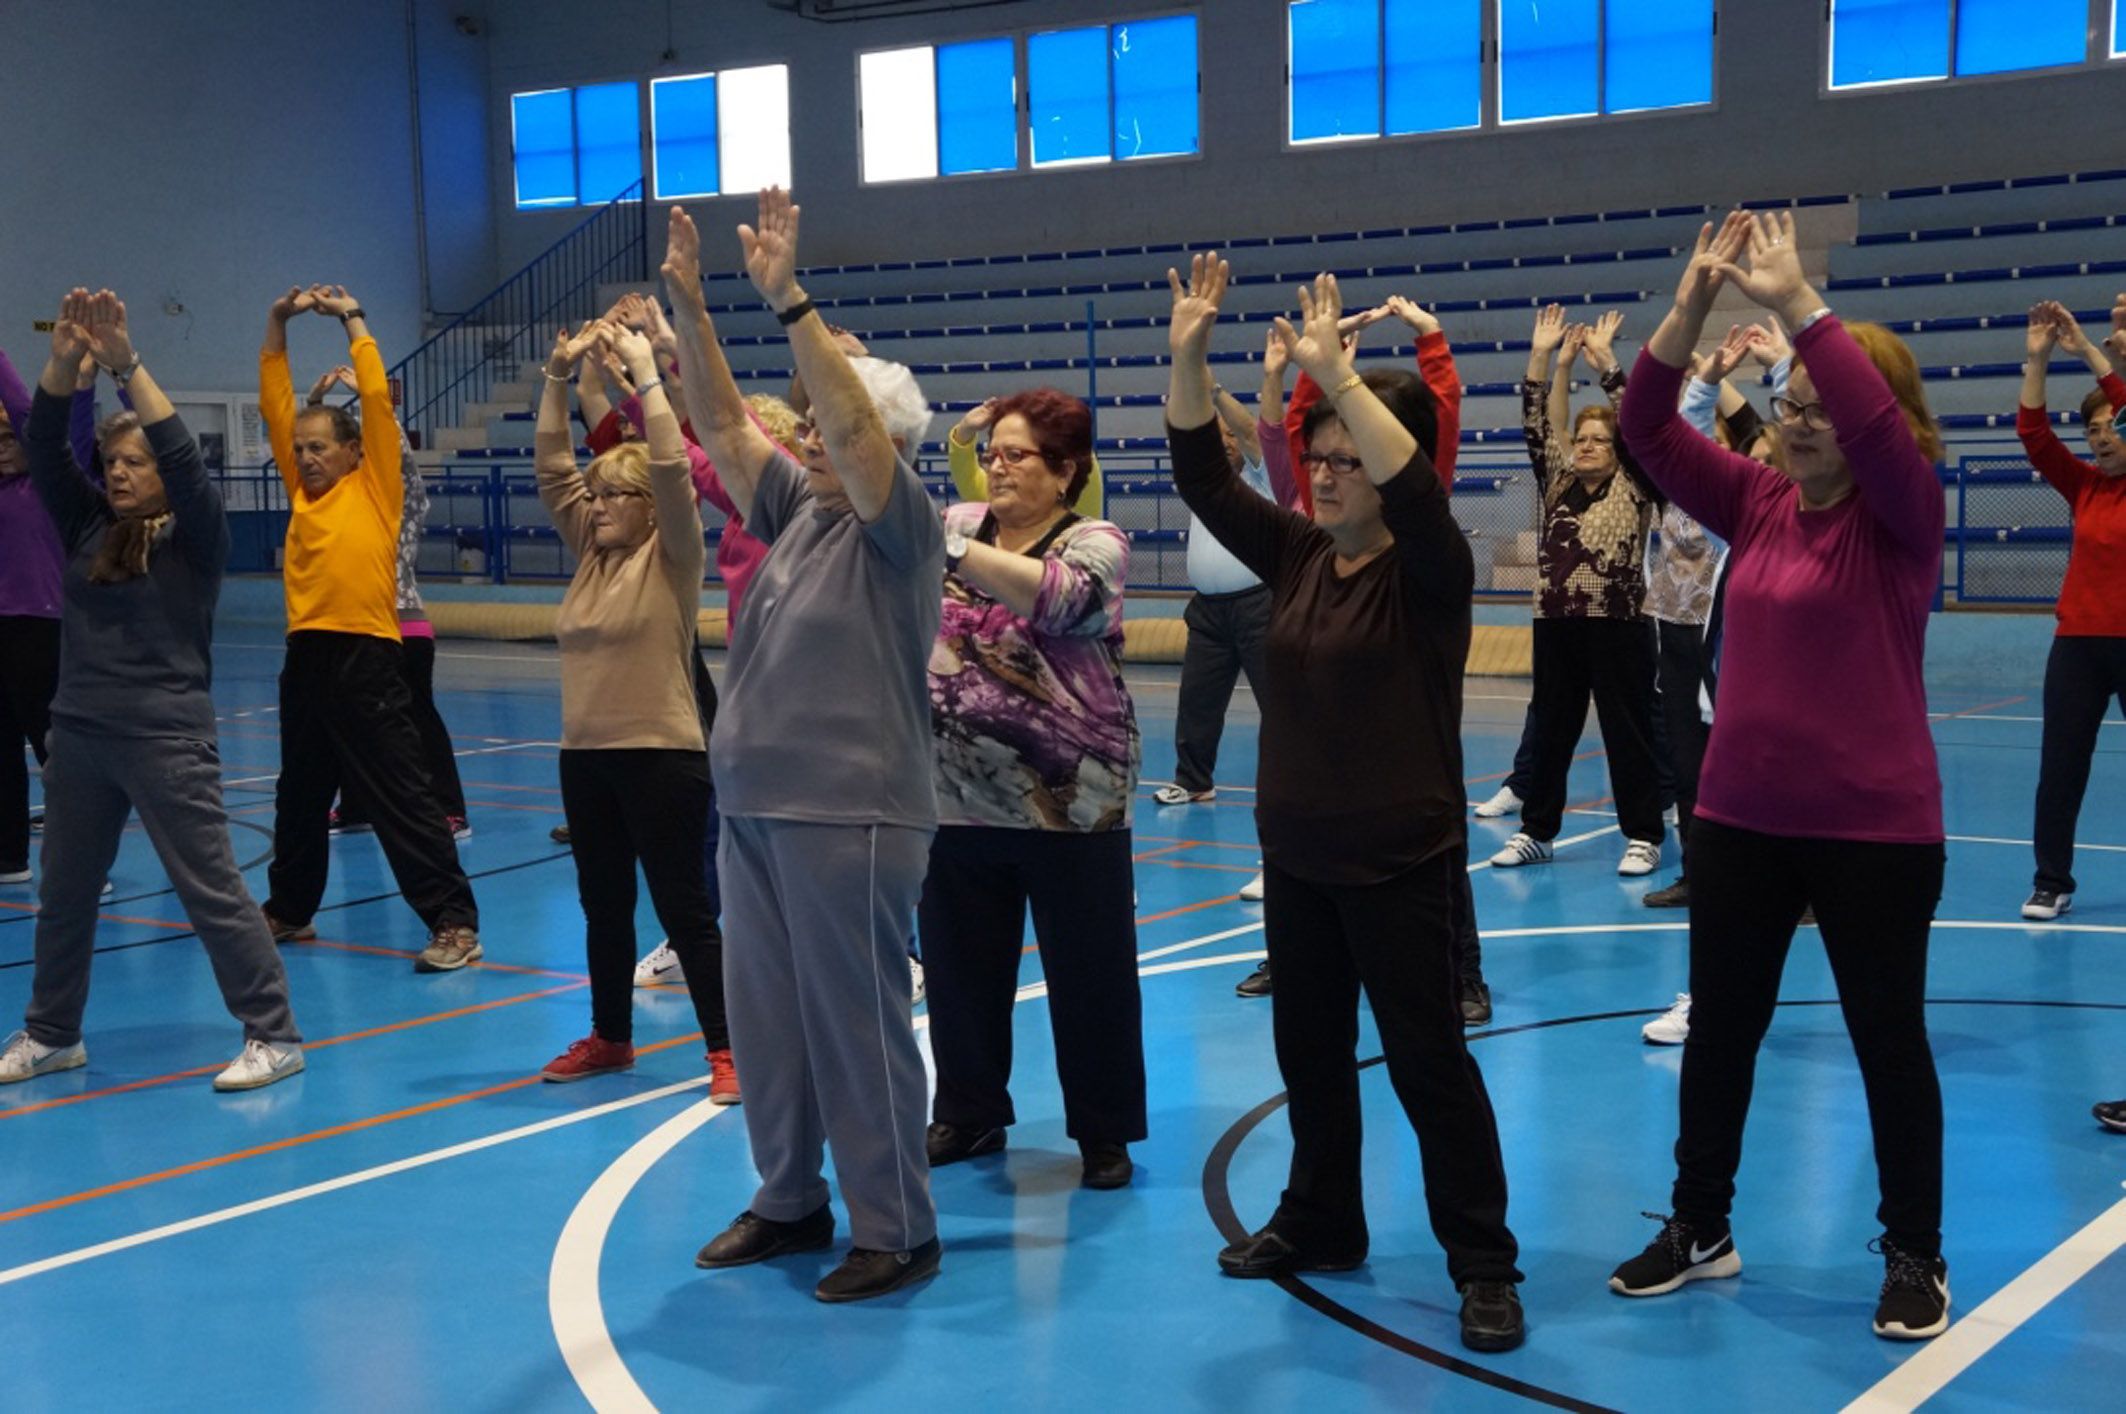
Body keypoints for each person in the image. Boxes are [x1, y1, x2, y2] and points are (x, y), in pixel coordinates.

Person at [1168, 254, 1525, 1354]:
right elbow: (1198, 476)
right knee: (1308, 1058)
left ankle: (1481, 1262)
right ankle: (1322, 1218)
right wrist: (1188, 353)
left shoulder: (1432, 568)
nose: (1319, 476)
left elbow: (1415, 490)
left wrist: (1339, 376)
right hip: (1301, 860)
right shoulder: (1298, 552)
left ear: (1384, 461)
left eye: (1342, 459)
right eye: (1312, 457)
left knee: (1428, 1068)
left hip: (1399, 861)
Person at [1610, 211, 1952, 1341]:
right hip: (1741, 822)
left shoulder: (1903, 519)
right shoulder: (1754, 504)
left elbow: (1864, 415)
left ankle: (1913, 1253)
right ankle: (1698, 1228)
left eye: (1818, 410)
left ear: (1876, 425)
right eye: (1787, 410)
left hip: (1874, 831)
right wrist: (1690, 309)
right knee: (1720, 1038)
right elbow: (1645, 426)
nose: (1798, 427)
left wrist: (1801, 307)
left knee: (1885, 1043)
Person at [665, 192, 943, 1304]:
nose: (808, 440)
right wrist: (690, 310)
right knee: (771, 1023)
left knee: (854, 1021)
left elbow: (861, 439)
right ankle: (788, 1197)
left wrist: (788, 298)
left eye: (831, 430)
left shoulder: (897, 525)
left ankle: (895, 1223)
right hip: (753, 807)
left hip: (852, 810)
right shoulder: (801, 511)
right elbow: (727, 426)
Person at [0, 289, 303, 1091]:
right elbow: (42, 441)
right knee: (63, 896)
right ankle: (53, 1032)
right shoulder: (87, 524)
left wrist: (128, 364)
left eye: (136, 465)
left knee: (211, 891)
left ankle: (273, 1033)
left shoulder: (198, 536)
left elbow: (175, 447)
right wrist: (65, 361)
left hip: (166, 739)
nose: (123, 474)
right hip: (80, 737)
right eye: (116, 465)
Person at [921, 387, 1147, 1191]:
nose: (998, 467)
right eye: (994, 454)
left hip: (1074, 802)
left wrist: (951, 551)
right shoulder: (955, 524)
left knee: (1091, 976)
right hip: (954, 795)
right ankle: (970, 1111)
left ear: (1064, 473)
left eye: (1018, 455)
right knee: (960, 972)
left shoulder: (1096, 542)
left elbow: (1064, 603)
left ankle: (1103, 1132)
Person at [530, 319, 736, 1101]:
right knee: (602, 906)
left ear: (652, 506)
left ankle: (726, 1049)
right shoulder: (591, 550)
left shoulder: (673, 554)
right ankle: (612, 1038)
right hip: (586, 757)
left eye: (619, 493)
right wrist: (556, 377)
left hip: (663, 755)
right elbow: (555, 468)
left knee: (684, 908)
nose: (601, 502)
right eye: (599, 492)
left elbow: (673, 468)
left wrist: (648, 376)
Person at [256, 286, 482, 971]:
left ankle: (454, 924)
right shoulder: (301, 491)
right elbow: (275, 401)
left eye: (321, 447)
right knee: (298, 793)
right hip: (306, 655)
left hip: (368, 658)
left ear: (354, 452)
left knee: (399, 796)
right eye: (302, 449)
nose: (309, 457)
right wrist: (277, 323)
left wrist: (355, 320)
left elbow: (378, 402)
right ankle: (290, 910)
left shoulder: (377, 486)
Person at [1491, 306, 1666, 877]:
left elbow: (1642, 423)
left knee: (1628, 732)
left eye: (1600, 440)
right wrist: (1546, 358)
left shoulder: (1638, 483)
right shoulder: (1559, 479)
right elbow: (1538, 420)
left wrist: (1610, 366)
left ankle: (1643, 834)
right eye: (1583, 439)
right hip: (1556, 621)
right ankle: (1536, 830)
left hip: (1618, 623)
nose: (1587, 446)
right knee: (1552, 731)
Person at [309, 366, 471, 844]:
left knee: (417, 719)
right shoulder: (335, 504)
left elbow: (399, 462)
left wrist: (374, 403)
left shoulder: (398, 504)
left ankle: (450, 809)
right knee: (350, 720)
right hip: (351, 627)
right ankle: (358, 805)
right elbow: (314, 454)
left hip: (402, 627)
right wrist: (317, 403)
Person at [2015, 299, 2126, 923]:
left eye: (2113, 425)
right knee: (2059, 769)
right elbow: (2033, 434)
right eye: (2093, 430)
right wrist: (2036, 359)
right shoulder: (2083, 486)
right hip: (2079, 646)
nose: (2102, 437)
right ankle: (2050, 880)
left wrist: (2087, 349)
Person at [1154, 385, 1271, 808]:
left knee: (1281, 703)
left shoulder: (1263, 478)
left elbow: (1253, 431)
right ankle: (1193, 780)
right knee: (1197, 702)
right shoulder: (1204, 481)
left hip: (1261, 606)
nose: (1225, 444)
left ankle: (1301, 780)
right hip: (1207, 611)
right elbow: (1178, 431)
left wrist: (1213, 392)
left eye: (1229, 438)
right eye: (1215, 437)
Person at [0, 348, 65, 887]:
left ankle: (78, 861)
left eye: (10, 439)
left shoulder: (45, 485)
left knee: (54, 748)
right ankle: (8, 855)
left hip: (40, 630)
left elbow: (27, 412)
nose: (4, 450)